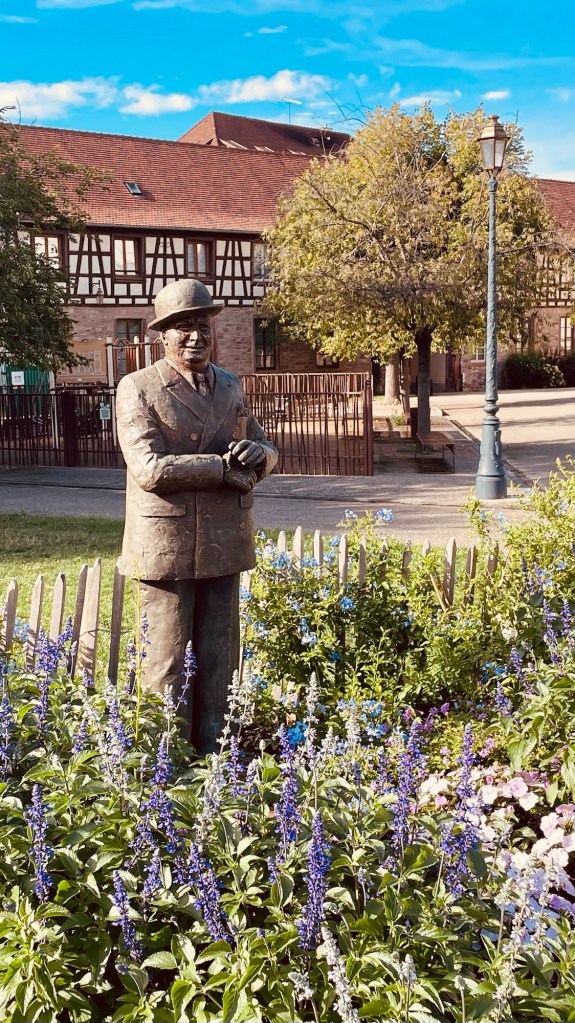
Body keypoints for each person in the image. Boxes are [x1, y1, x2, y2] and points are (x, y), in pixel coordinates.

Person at [116, 279, 277, 753]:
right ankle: (163, 762)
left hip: (224, 537)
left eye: (203, 326)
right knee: (166, 658)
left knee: (220, 654)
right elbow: (149, 468)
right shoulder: (138, 387)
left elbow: (263, 444)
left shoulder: (229, 385)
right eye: (183, 327)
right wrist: (220, 468)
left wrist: (260, 456)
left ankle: (216, 755)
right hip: (166, 544)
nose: (195, 336)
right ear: (162, 335)